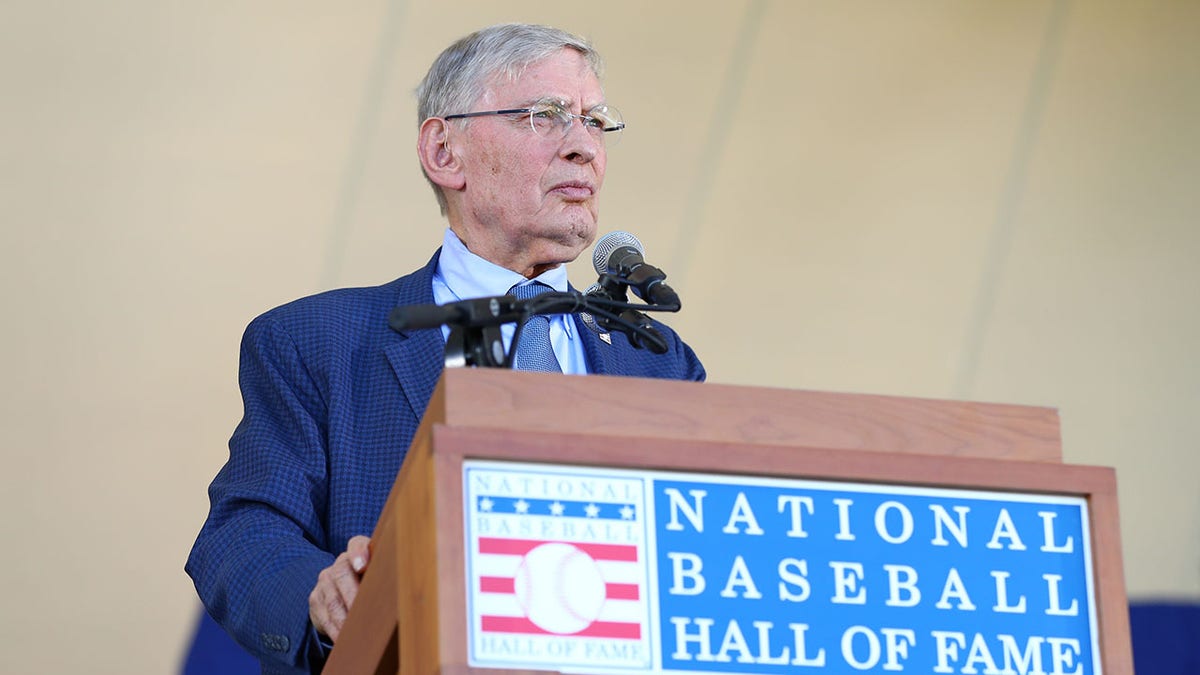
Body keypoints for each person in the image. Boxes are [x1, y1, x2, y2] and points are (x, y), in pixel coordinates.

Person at [186, 23, 705, 674]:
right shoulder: (318, 342)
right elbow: (242, 535)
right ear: (444, 151)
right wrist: (322, 595)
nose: (584, 147)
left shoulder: (656, 361)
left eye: (595, 121)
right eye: (546, 115)